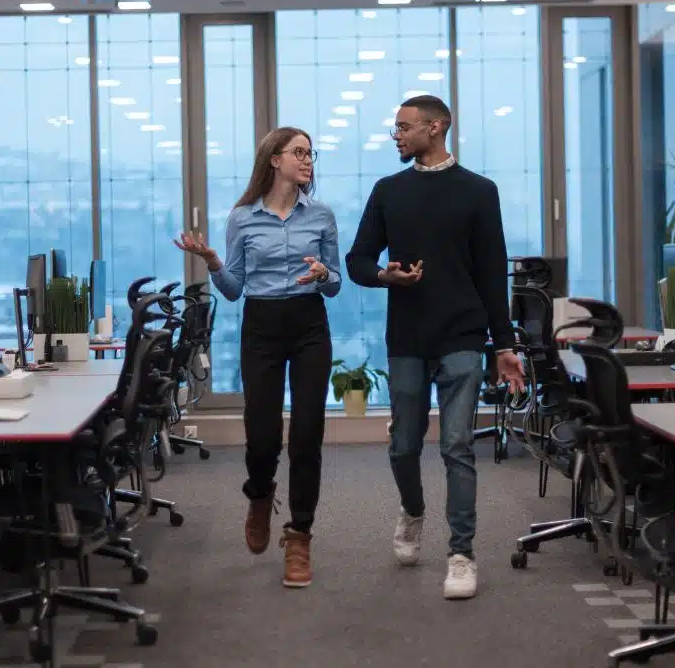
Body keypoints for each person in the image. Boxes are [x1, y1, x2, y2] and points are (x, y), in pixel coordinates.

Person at [345, 94, 525, 600]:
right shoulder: (388, 191)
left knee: (457, 445)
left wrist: (504, 345)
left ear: (437, 127)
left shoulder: (478, 191)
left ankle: (462, 554)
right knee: (404, 445)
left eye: (404, 127)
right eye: (395, 128)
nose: (396, 136)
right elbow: (358, 259)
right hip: (407, 336)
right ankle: (414, 511)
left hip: (463, 335)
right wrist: (387, 276)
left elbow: (492, 274)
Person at [174, 126, 340, 589]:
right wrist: (211, 261)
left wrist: (325, 273)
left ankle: (300, 535)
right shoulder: (243, 218)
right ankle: (260, 495)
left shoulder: (322, 216)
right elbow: (232, 291)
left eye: (311, 153)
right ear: (275, 159)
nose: (308, 160)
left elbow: (336, 283)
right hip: (262, 327)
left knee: (307, 432)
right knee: (262, 435)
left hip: (309, 325)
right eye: (300, 152)